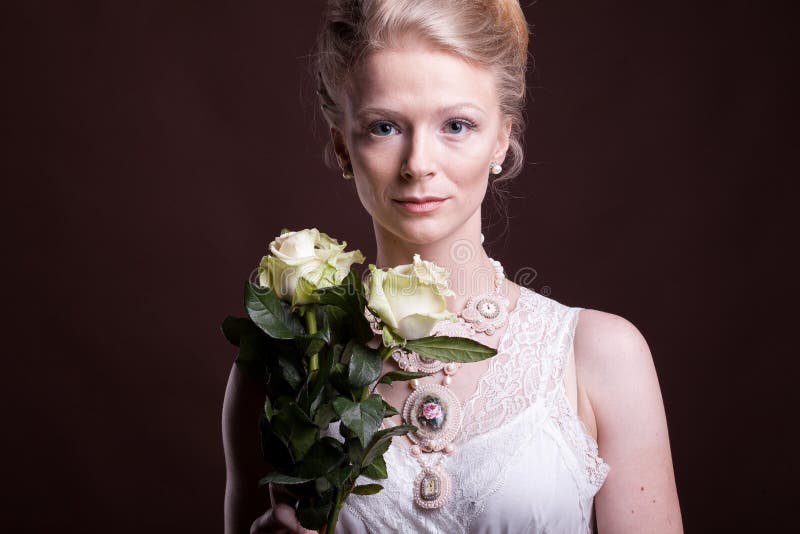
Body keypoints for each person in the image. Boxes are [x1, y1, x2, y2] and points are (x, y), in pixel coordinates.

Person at [223, 0, 683, 532]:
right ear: (341, 145)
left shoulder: (599, 356)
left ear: (502, 138)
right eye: (384, 127)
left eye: (457, 125)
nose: (419, 163)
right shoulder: (284, 365)